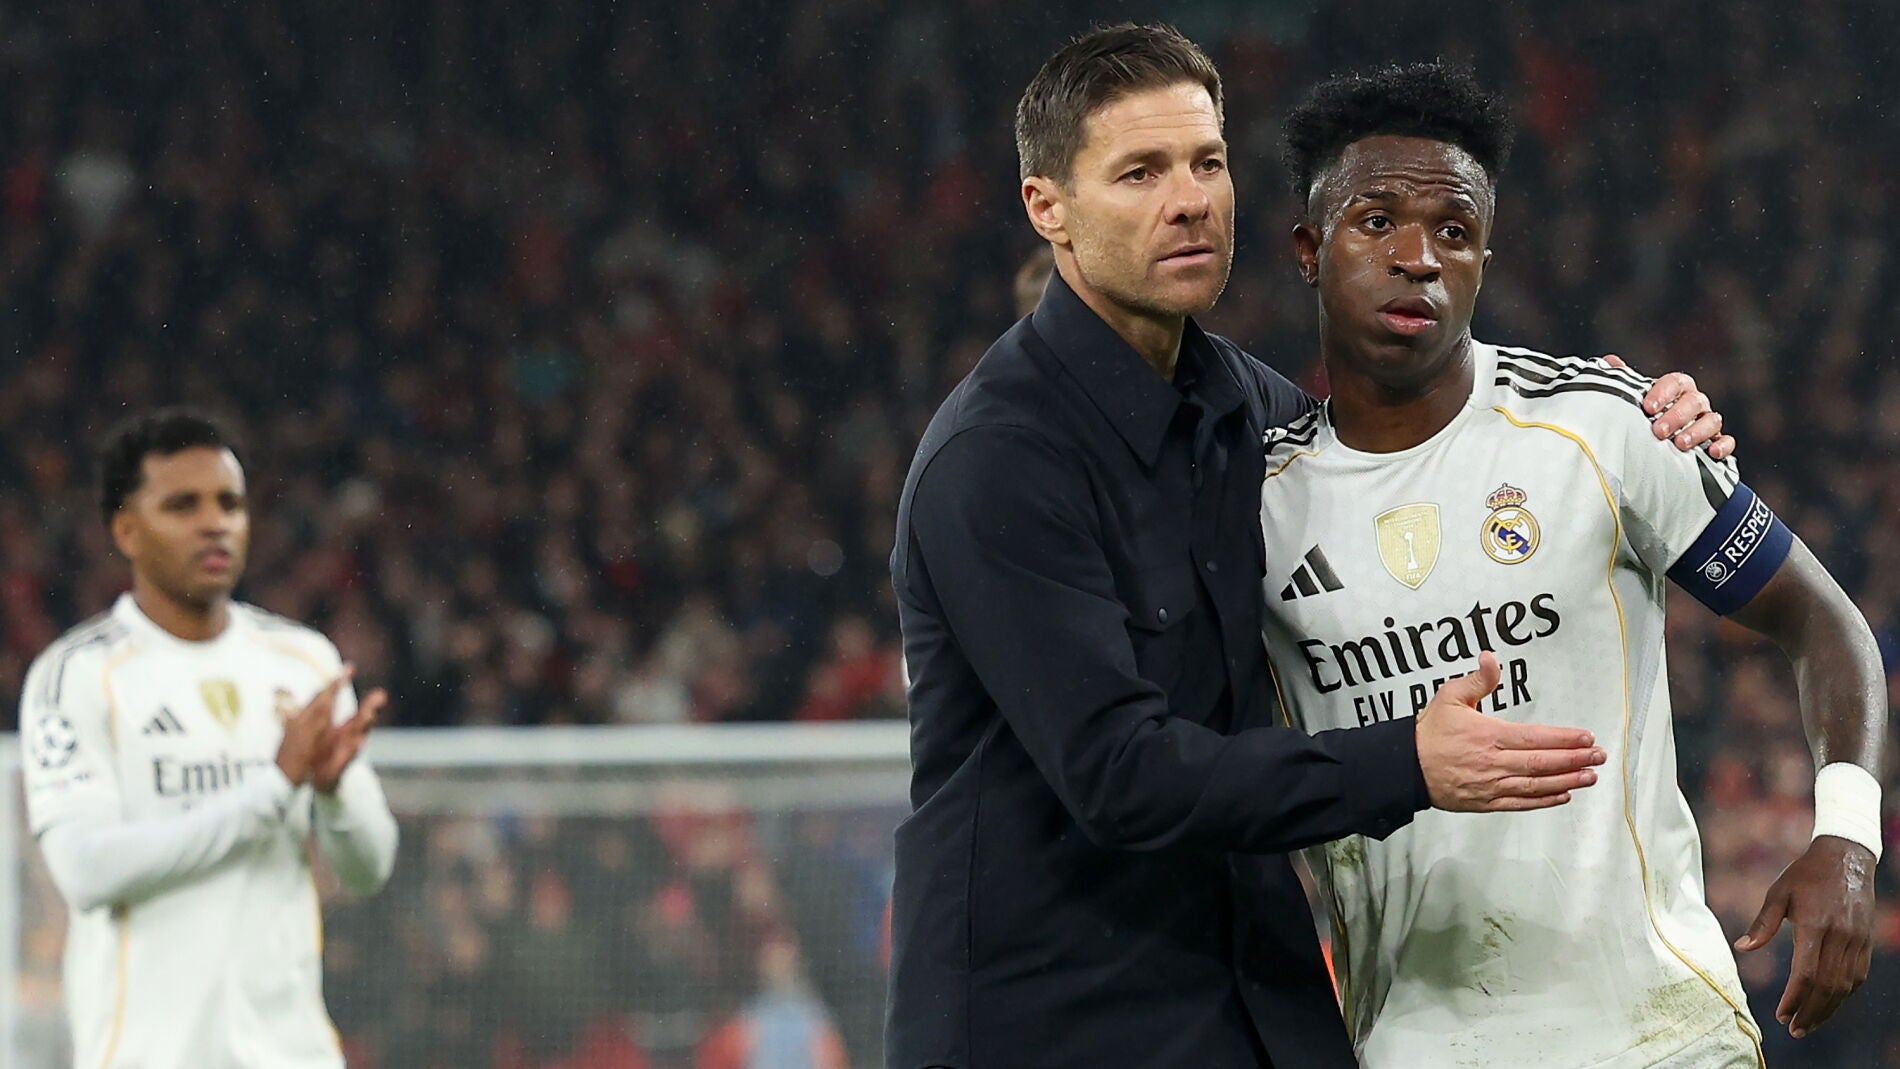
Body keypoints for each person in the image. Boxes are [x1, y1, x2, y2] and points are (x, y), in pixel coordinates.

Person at [889, 24, 1730, 1069]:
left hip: (1247, 1006)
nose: (1189, 200)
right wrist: (1405, 762)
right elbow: (1118, 773)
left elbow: (1419, 461)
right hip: (1049, 1023)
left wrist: (1636, 411)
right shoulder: (995, 460)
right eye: (1140, 172)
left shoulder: (1251, 412)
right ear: (1046, 207)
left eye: (1206, 162)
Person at [1261, 63, 1885, 1067]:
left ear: (1484, 258)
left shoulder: (1606, 426)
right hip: (1414, 1048)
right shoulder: (1254, 509)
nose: (1417, 258)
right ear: (1308, 248)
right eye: (1376, 222)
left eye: (1453, 231)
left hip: (1660, 1036)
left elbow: (1819, 619)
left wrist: (1848, 837)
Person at [19, 409, 399, 1069]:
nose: (215, 522)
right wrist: (273, 787)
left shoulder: (303, 662)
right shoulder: (77, 676)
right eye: (182, 505)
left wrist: (335, 793)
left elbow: (370, 868)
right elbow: (87, 870)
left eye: (230, 503)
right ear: (126, 531)